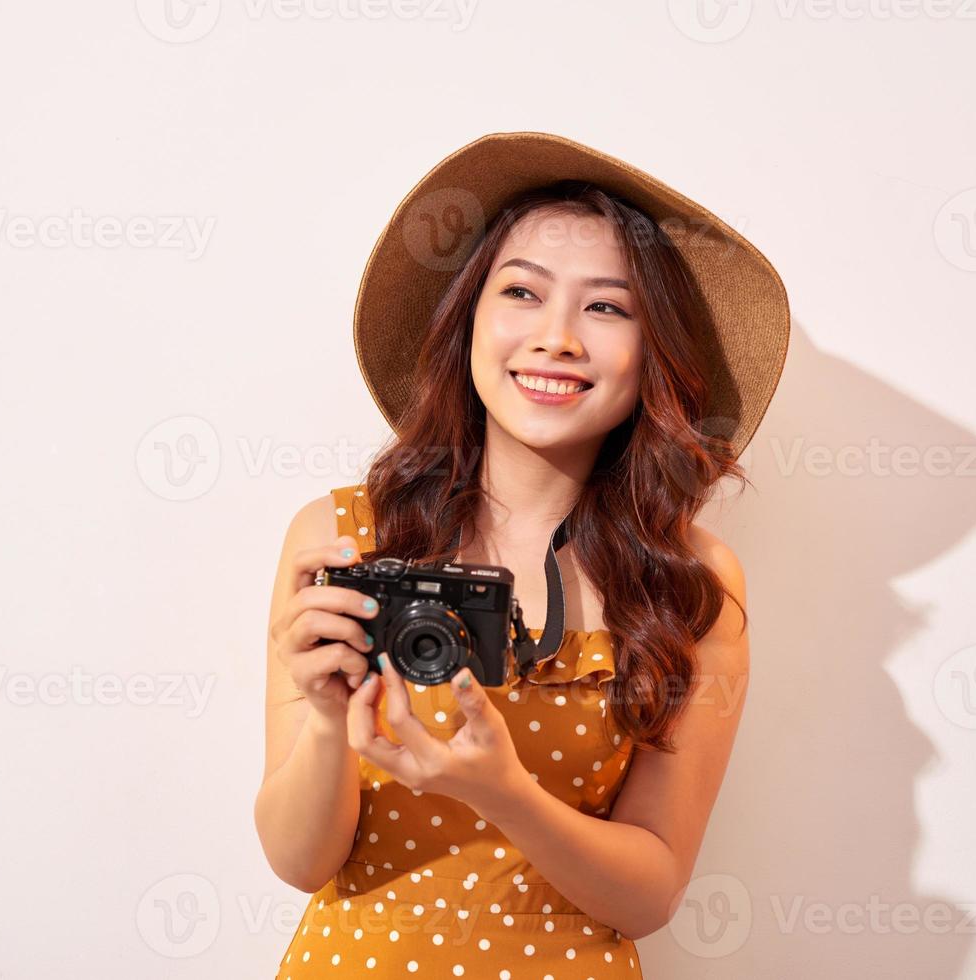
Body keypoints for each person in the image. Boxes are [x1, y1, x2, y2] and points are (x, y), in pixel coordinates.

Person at [254, 131, 790, 978]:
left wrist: (504, 794)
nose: (557, 338)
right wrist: (324, 720)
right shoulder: (342, 537)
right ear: (467, 318)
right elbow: (298, 861)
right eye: (522, 293)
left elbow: (648, 895)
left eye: (606, 307)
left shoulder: (689, 581)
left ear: (654, 352)